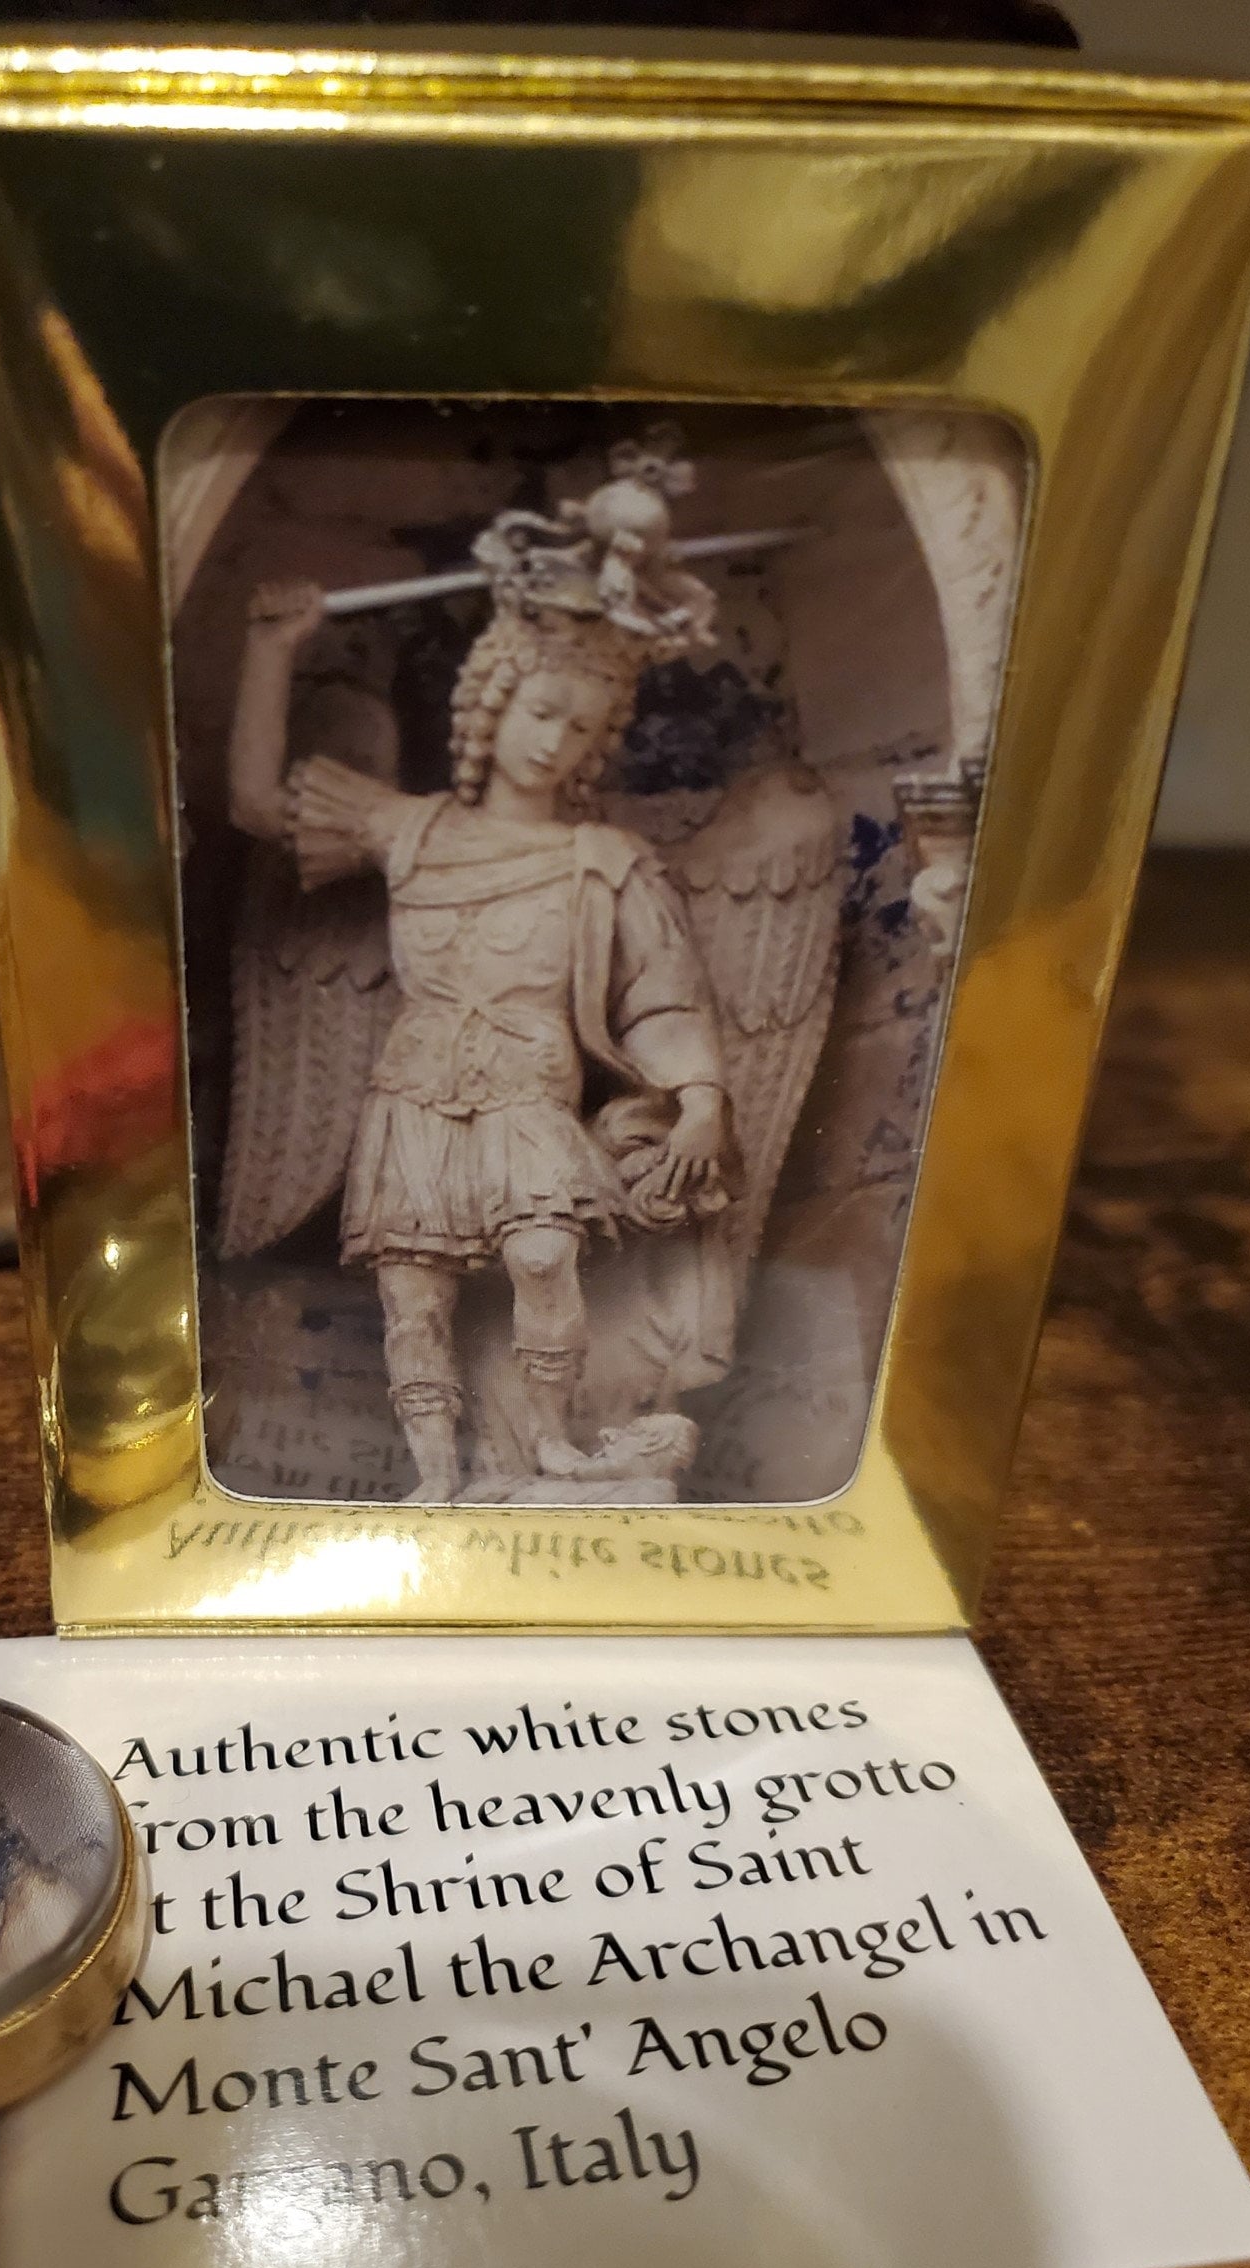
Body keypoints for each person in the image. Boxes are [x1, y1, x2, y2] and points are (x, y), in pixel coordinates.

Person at [227, 467, 734, 1501]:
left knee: (546, 1255)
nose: (555, 739)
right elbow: (249, 801)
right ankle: (431, 1479)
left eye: (582, 729)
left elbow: (663, 996)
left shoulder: (602, 858)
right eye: (543, 708)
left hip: (525, 1096)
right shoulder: (410, 830)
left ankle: (546, 1440)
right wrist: (270, 651)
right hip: (415, 1094)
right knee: (412, 1299)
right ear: (494, 697)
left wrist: (703, 1100)